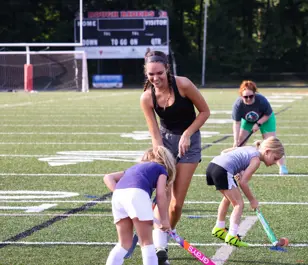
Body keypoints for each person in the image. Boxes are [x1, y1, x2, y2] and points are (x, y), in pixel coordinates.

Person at [140, 50, 210, 264]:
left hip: (190, 142)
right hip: (165, 144)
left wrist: (188, 134)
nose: (155, 78)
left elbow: (205, 112)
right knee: (164, 196)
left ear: (167, 69)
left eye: (159, 73)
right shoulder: (146, 98)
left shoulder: (184, 85)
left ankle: (168, 229)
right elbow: (154, 134)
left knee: (176, 204)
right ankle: (161, 248)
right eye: (151, 75)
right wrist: (162, 157)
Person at [206, 136, 285, 247]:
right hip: (223, 170)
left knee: (228, 198)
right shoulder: (256, 160)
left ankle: (219, 228)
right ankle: (232, 236)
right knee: (239, 204)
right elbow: (243, 183)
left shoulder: (250, 148)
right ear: (267, 151)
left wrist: (237, 170)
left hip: (212, 166)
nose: (276, 162)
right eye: (275, 158)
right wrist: (252, 200)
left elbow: (224, 152)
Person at [103, 146, 176, 265]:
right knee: (147, 243)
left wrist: (120, 193)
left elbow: (108, 177)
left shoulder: (133, 168)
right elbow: (161, 195)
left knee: (124, 244)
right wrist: (164, 220)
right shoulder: (161, 169)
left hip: (118, 196)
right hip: (137, 195)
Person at [231, 80, 288, 175]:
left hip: (265, 119)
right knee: (240, 143)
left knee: (272, 143)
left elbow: (268, 114)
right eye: (245, 97)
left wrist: (258, 123)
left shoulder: (261, 100)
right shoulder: (238, 105)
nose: (248, 99)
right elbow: (237, 123)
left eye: (251, 96)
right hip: (248, 120)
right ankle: (239, 167)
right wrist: (235, 140)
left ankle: (282, 166)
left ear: (255, 94)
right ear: (241, 96)